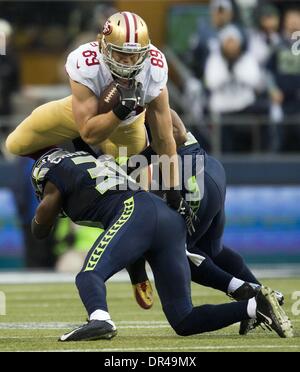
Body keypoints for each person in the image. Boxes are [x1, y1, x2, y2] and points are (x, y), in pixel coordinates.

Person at [6, 11, 193, 305]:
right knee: (16, 143)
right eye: (121, 54)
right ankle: (61, 166)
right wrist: (118, 108)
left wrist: (172, 187)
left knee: (134, 203)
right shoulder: (86, 61)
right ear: (103, 46)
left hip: (130, 127)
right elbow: (90, 132)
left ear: (146, 53)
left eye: (135, 56)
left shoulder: (154, 66)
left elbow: (164, 137)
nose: (129, 63)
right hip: (85, 117)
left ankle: (137, 273)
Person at [30, 148, 293, 341]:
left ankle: (100, 319)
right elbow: (131, 241)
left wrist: (47, 201)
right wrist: (138, 278)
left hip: (137, 210)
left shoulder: (56, 174)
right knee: (183, 319)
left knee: (89, 274)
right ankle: (255, 304)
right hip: (163, 215)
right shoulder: (94, 162)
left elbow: (40, 228)